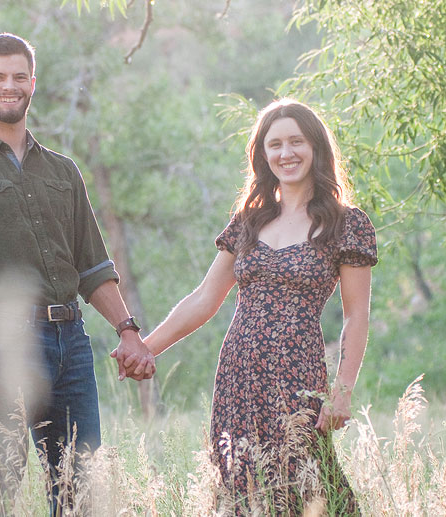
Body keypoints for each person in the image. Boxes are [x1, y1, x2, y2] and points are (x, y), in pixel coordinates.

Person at [0, 33, 154, 513]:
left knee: (80, 487)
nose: (10, 86)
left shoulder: (64, 173)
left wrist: (128, 332)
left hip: (72, 340)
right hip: (2, 343)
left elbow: (93, 266)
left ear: (33, 83)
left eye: (19, 77)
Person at [141, 99, 377, 514]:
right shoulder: (249, 221)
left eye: (296, 142)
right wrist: (146, 347)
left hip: (297, 376)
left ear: (316, 148)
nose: (286, 153)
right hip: (238, 377)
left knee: (310, 487)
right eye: (275, 145)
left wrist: (340, 391)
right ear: (263, 155)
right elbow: (203, 299)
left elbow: (357, 316)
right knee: (242, 491)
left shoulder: (346, 223)